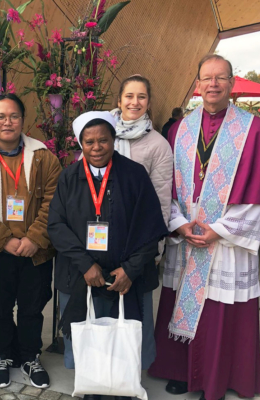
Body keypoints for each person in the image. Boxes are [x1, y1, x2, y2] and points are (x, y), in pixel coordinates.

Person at [148, 54, 260, 400]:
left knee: (220, 310)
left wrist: (219, 229)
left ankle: (215, 378)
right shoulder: (180, 129)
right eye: (207, 78)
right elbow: (167, 186)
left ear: (232, 83)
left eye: (221, 78)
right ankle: (179, 370)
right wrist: (180, 224)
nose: (213, 84)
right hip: (189, 235)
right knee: (178, 301)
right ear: (198, 85)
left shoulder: (255, 130)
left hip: (225, 240)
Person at [47, 111, 168, 400]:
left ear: (114, 140)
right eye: (89, 142)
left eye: (103, 140)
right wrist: (86, 264)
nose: (97, 147)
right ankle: (92, 387)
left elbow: (151, 228)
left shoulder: (134, 174)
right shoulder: (69, 177)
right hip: (82, 276)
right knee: (90, 339)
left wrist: (131, 270)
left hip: (126, 277)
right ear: (81, 144)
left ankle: (124, 387)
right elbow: (56, 225)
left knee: (124, 338)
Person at [0, 93, 62, 389]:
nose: (7, 122)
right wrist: (4, 240)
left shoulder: (44, 156)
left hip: (36, 250)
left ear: (23, 120)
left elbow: (54, 200)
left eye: (13, 116)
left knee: (33, 307)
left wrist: (35, 238)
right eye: (0, 117)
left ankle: (30, 356)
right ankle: (1, 355)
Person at [108, 74, 173, 370]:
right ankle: (99, 371)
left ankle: (131, 373)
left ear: (149, 102)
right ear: (119, 99)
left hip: (135, 242)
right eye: (129, 96)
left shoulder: (157, 145)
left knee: (135, 311)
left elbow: (161, 200)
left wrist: (154, 249)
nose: (135, 102)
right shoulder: (100, 132)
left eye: (142, 97)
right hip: (98, 237)